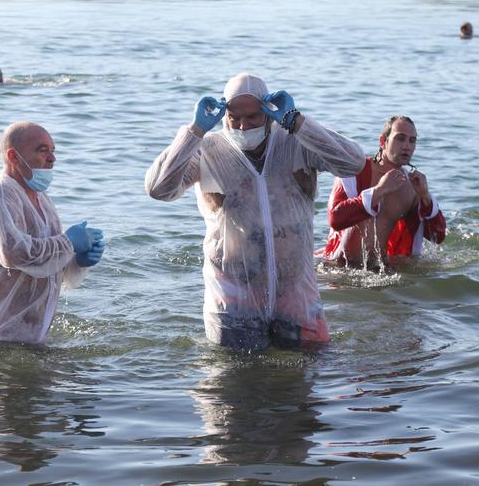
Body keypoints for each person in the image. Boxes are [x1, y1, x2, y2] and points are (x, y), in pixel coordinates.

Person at [145, 72, 365, 350]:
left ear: (268, 113)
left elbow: (353, 163)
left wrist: (298, 122)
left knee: (306, 371)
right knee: (234, 375)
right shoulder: (207, 150)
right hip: (233, 296)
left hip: (295, 293)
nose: (243, 125)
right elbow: (158, 189)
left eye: (252, 117)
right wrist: (194, 132)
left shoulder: (296, 141)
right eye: (234, 118)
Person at [0, 122, 105, 343]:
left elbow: (41, 266)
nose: (52, 158)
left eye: (53, 150)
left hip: (27, 334)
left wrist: (76, 261)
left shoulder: (42, 199)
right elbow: (13, 253)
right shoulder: (0, 191)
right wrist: (68, 243)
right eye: (42, 150)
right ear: (13, 156)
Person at [320, 115, 446, 267]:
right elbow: (335, 218)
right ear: (383, 141)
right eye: (400, 138)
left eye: (412, 140)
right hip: (340, 267)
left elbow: (438, 236)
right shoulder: (356, 171)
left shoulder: (411, 187)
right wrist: (379, 190)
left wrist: (425, 197)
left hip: (380, 269)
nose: (407, 146)